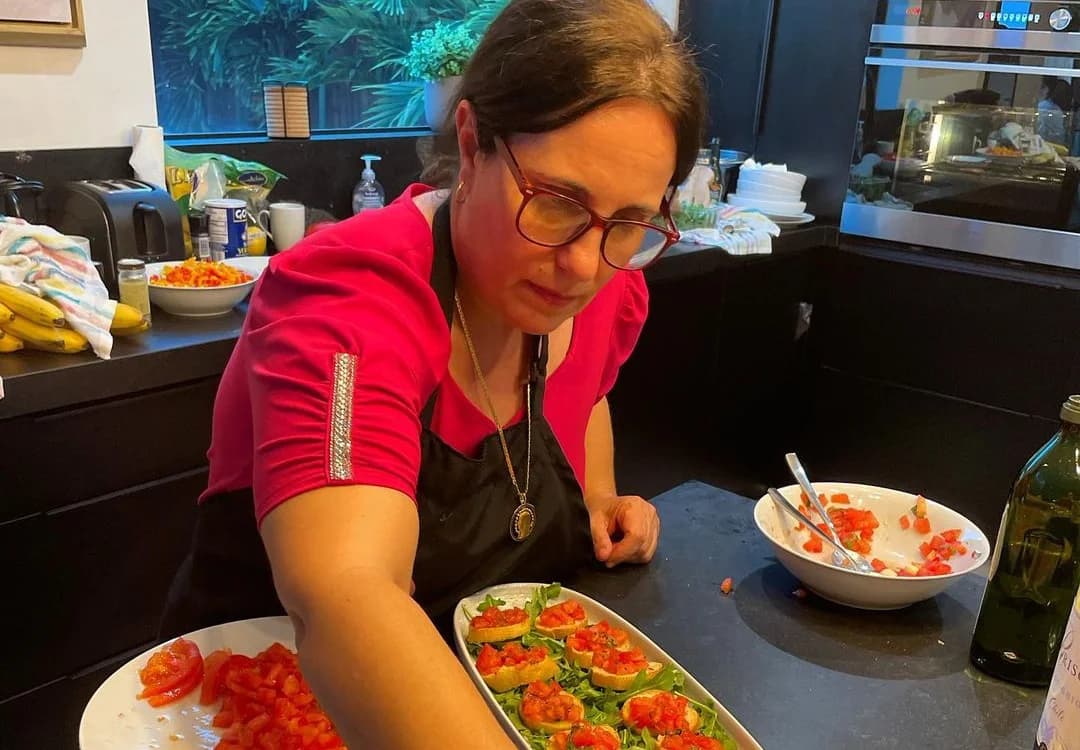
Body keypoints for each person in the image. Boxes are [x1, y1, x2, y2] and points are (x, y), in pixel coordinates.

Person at [159, 0, 705, 746]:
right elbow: (347, 591)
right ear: (473, 142)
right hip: (264, 701)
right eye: (555, 204)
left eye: (630, 222)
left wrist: (603, 498)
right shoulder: (349, 297)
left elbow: (589, 391)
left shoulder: (611, 282)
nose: (584, 263)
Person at [1037, 76, 1072, 145]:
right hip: (1057, 143)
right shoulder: (1055, 108)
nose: (1039, 90)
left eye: (1042, 87)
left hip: (1047, 143)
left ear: (1048, 89)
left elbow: (1040, 131)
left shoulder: (1045, 106)